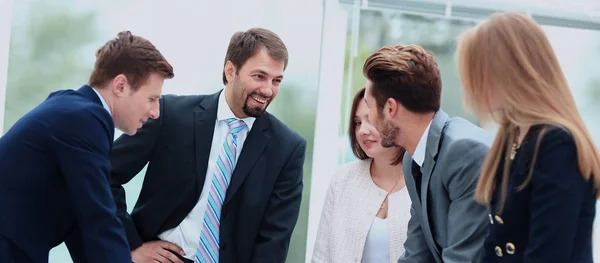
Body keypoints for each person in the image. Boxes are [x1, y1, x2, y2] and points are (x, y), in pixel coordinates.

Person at [109, 27, 306, 263]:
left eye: (277, 80)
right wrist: (131, 247)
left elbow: (274, 239)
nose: (268, 90)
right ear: (231, 70)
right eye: (259, 76)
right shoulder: (170, 116)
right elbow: (104, 175)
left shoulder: (287, 149)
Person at [0, 31, 174, 263]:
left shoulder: (74, 109)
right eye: (152, 99)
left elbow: (81, 220)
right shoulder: (86, 118)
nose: (155, 112)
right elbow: (99, 215)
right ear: (120, 86)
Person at [456, 12, 600, 263]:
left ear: (509, 71)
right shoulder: (512, 138)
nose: (472, 86)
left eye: (479, 73)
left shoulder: (558, 144)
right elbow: (494, 245)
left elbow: (548, 254)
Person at [362, 43, 493, 263]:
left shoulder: (465, 153)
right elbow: (417, 254)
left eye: (370, 106)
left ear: (390, 108)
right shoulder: (413, 159)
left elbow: (463, 259)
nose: (369, 119)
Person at [312, 87, 411, 263]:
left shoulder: (423, 183)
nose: (362, 131)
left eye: (371, 120)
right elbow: (321, 256)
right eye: (357, 122)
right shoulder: (343, 179)